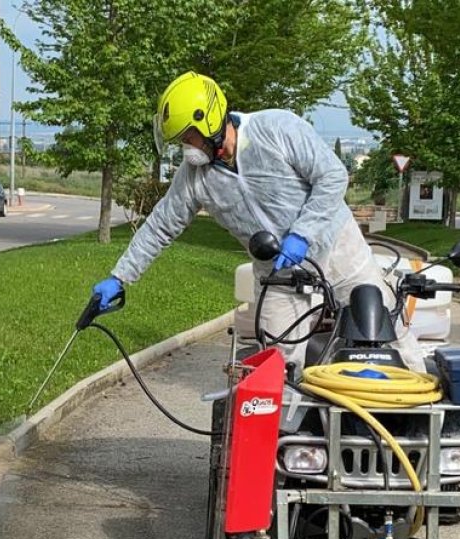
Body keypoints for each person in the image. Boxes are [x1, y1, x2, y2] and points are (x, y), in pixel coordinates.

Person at [91, 71, 425, 375]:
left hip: (337, 249)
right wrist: (120, 277)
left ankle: (428, 412)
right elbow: (160, 226)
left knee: (386, 329)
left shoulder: (276, 128)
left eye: (188, 138)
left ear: (209, 122)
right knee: (277, 363)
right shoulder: (194, 177)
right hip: (278, 276)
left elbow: (333, 176)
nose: (186, 149)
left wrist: (302, 235)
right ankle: (292, 437)